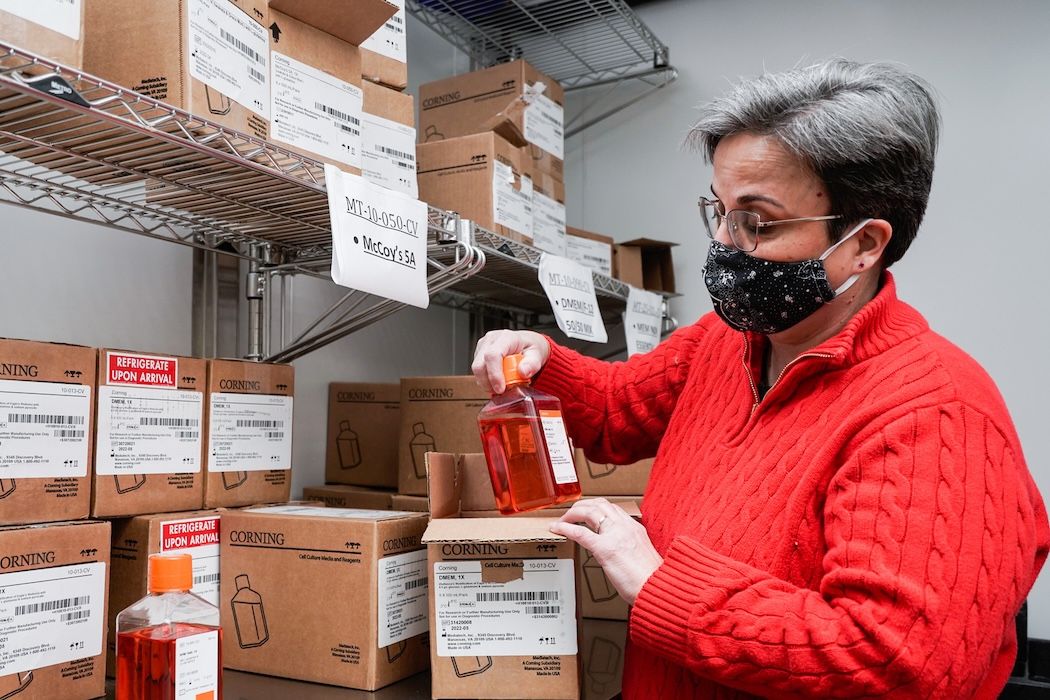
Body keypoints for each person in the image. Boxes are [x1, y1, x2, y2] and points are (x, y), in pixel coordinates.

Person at [472, 58, 1049, 699]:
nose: (725, 244)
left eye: (758, 222)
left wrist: (660, 585)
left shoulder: (938, 415)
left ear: (864, 244)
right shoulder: (726, 344)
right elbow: (617, 410)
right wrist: (544, 361)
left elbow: (895, 664)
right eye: (718, 212)